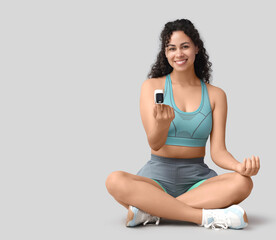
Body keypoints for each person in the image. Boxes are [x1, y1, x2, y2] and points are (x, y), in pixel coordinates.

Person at [105, 19, 260, 230]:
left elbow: (218, 152)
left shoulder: (216, 95)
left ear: (197, 48)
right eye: (172, 48)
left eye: (185, 46)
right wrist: (162, 124)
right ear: (165, 53)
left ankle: (151, 210)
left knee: (243, 182)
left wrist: (239, 167)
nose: (178, 54)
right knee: (115, 180)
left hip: (199, 180)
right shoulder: (151, 86)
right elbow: (155, 143)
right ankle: (206, 217)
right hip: (156, 180)